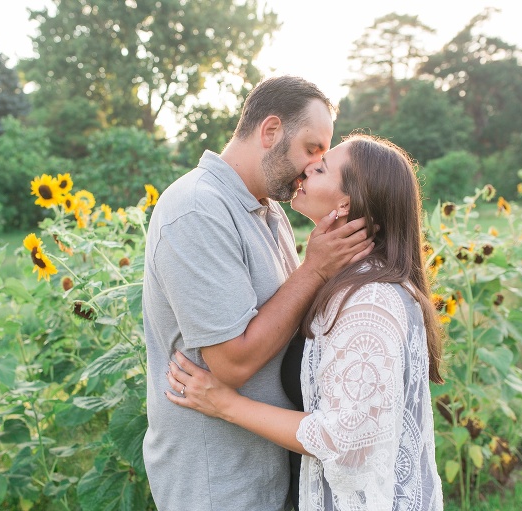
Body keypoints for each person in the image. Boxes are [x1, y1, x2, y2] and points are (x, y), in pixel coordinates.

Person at [165, 134, 445, 511]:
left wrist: (224, 403)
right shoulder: (343, 276)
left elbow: (346, 441)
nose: (307, 167)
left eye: (322, 166)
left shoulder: (370, 301)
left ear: (346, 202)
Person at [142, 76, 374, 511]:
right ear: (270, 132)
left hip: (269, 468)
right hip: (219, 481)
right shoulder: (197, 209)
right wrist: (315, 268)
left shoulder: (269, 210)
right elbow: (232, 363)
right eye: (311, 149)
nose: (312, 166)